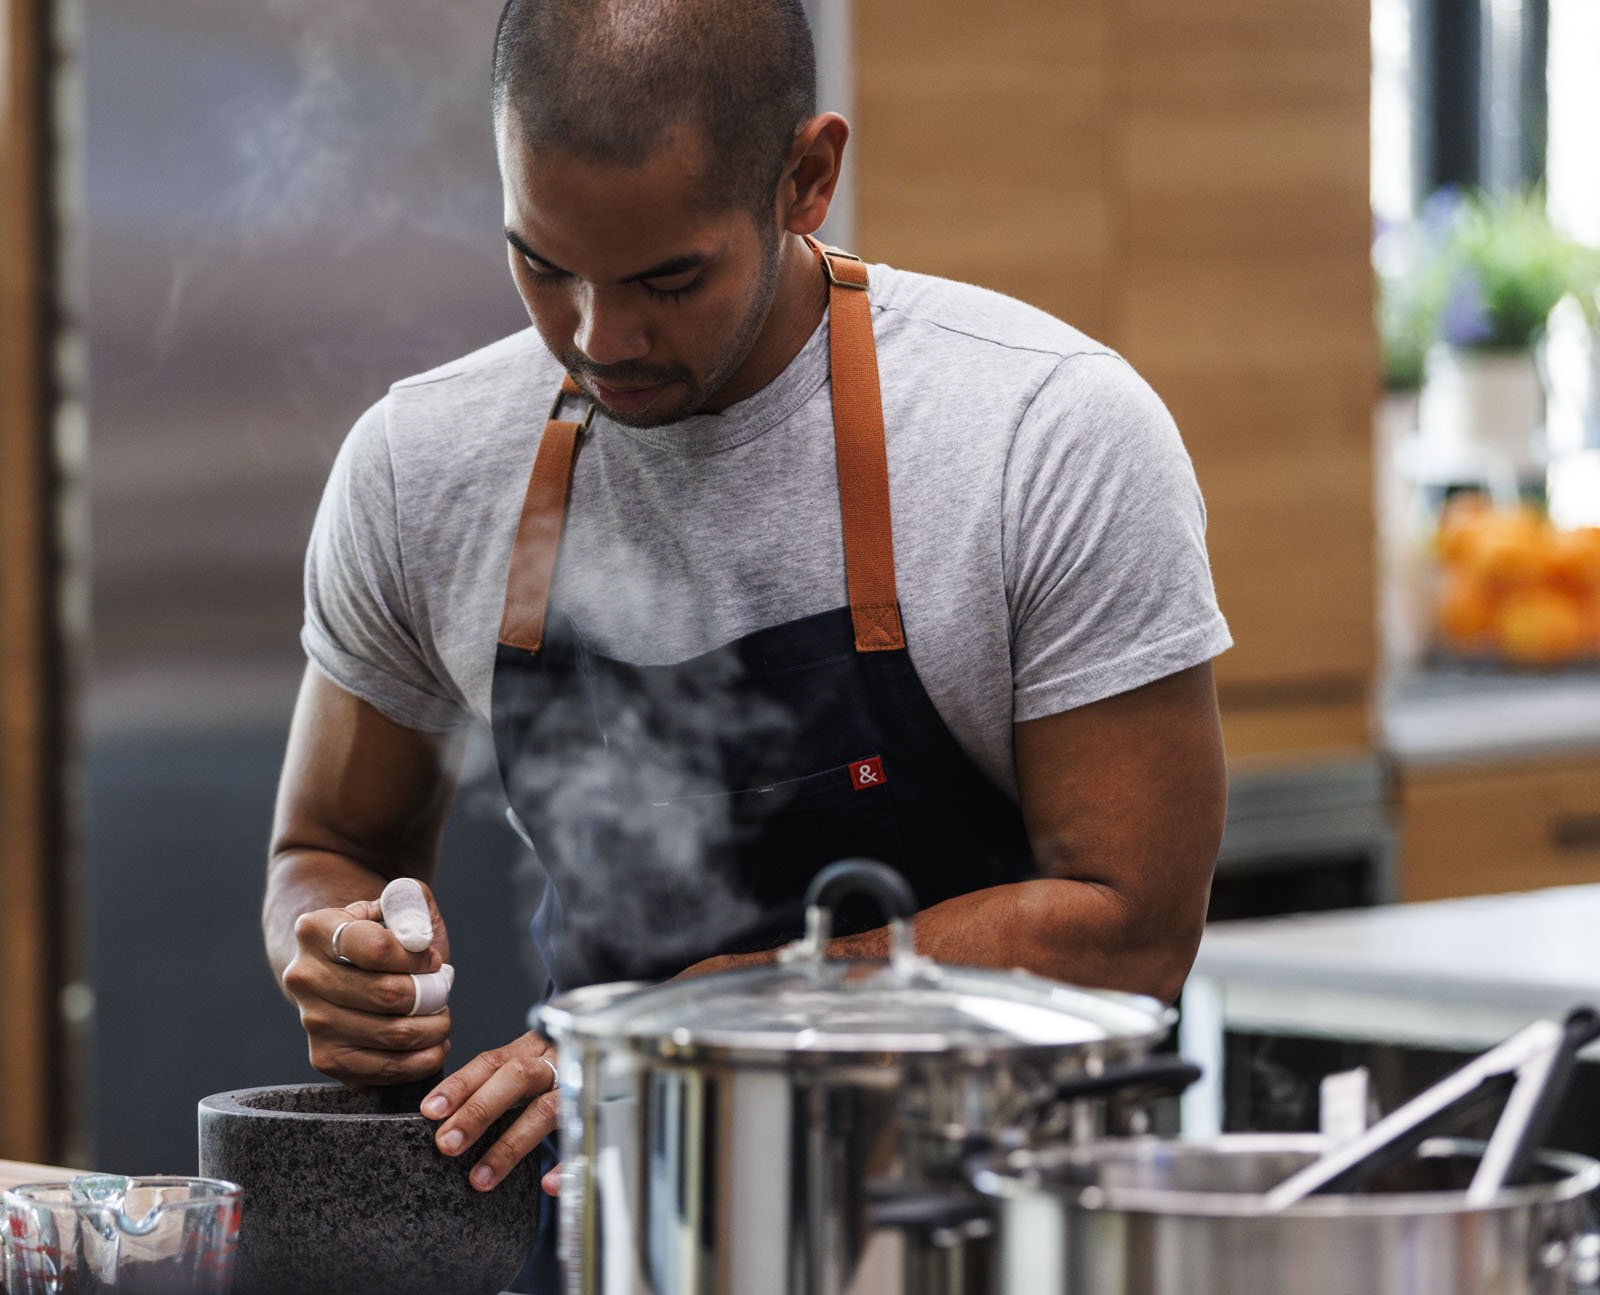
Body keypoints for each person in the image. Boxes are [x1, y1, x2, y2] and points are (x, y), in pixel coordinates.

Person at [263, 0, 1230, 1218]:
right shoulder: (425, 463)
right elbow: (329, 847)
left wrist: (684, 1035)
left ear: (805, 178)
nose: (597, 339)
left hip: (1008, 1256)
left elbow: (1129, 930)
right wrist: (342, 953)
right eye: (541, 263)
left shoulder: (1045, 435)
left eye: (668, 277)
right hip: (615, 1255)